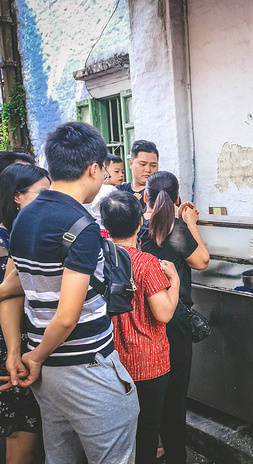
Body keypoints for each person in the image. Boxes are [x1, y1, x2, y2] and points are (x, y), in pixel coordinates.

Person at [6, 121, 139, 463]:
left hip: (46, 372)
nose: (105, 181)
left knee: (61, 457)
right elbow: (67, 316)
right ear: (93, 169)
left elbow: (12, 291)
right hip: (86, 368)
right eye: (104, 174)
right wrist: (32, 360)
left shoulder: (24, 218)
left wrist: (16, 352)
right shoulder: (81, 226)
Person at [100, 191, 180, 464]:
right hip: (147, 363)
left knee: (116, 433)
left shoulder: (96, 260)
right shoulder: (146, 263)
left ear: (105, 224)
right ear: (139, 224)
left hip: (108, 362)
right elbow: (164, 313)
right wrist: (175, 281)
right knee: (146, 430)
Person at [138, 171, 209, 464]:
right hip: (173, 320)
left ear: (145, 197)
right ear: (178, 198)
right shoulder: (177, 229)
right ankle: (176, 456)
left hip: (143, 320)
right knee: (174, 397)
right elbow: (202, 260)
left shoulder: (137, 227)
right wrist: (191, 223)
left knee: (149, 396)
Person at [0, 163, 49, 464]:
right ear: (17, 196)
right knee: (22, 436)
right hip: (12, 346)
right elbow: (10, 290)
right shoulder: (11, 238)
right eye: (43, 192)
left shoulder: (27, 230)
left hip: (23, 345)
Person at [85, 154, 125, 236]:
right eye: (116, 171)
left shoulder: (97, 188)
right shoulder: (110, 190)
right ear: (104, 172)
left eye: (122, 172)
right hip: (108, 230)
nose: (121, 175)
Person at [118, 140, 159, 208]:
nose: (148, 170)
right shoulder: (119, 192)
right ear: (131, 164)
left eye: (153, 165)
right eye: (143, 164)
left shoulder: (164, 193)